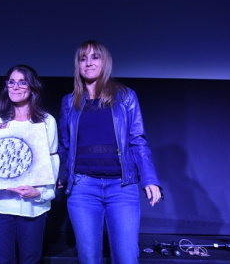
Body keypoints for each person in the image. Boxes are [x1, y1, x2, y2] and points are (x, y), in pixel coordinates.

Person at [58, 40, 162, 264]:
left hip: (122, 188)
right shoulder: (69, 102)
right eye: (83, 58)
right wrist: (60, 176)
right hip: (83, 188)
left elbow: (138, 140)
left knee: (126, 258)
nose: (88, 63)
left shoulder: (125, 96)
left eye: (95, 57)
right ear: (78, 65)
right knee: (88, 259)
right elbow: (64, 146)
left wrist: (150, 179)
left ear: (105, 62)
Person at [0, 65, 59, 264]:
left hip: (33, 206)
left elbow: (52, 162)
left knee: (30, 260)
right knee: (4, 260)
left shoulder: (46, 122)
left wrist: (40, 193)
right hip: (2, 204)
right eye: (11, 82)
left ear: (33, 87)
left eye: (22, 82)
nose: (15, 87)